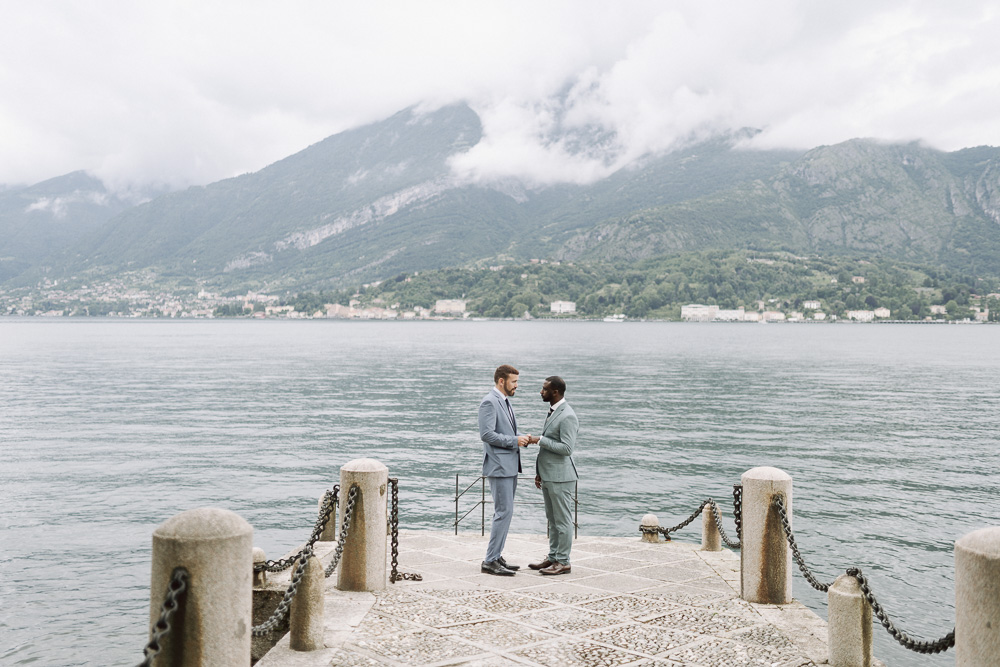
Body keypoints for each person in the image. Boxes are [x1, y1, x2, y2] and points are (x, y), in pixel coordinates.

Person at [478, 364, 531, 576]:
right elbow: (487, 434)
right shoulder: (489, 402)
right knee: (503, 512)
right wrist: (514, 441)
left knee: (506, 513)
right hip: (499, 466)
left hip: (509, 466)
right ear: (502, 381)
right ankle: (490, 561)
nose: (516, 386)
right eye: (514, 382)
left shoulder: (504, 402)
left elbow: (505, 430)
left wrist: (520, 438)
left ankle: (497, 555)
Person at [527, 376, 579, 575]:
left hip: (561, 477)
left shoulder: (568, 416)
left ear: (555, 391)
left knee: (563, 520)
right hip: (550, 475)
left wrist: (540, 440)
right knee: (553, 519)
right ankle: (553, 556)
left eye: (544, 389)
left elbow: (567, 448)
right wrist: (540, 473)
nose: (541, 392)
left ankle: (563, 562)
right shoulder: (555, 411)